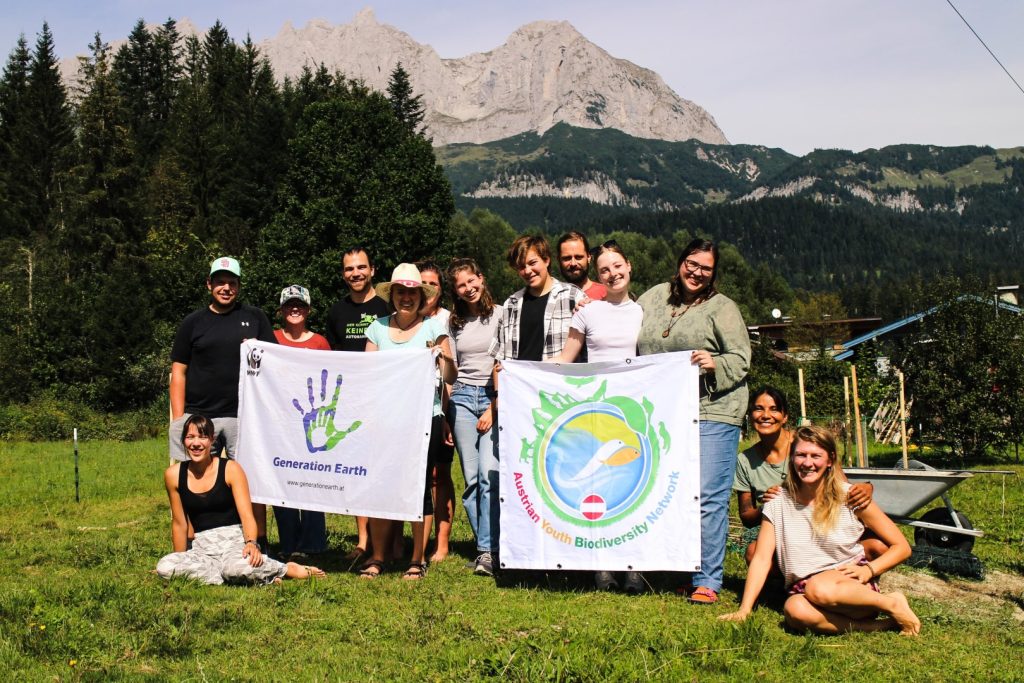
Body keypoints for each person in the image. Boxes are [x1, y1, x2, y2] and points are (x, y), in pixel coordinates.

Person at [720, 425, 921, 636]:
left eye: (816, 455)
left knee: (818, 587)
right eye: (801, 455)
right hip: (804, 591)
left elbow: (902, 547)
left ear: (830, 460)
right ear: (792, 458)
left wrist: (868, 570)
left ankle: (890, 604)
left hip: (848, 587)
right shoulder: (777, 502)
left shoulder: (850, 497)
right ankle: (881, 625)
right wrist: (745, 609)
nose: (807, 463)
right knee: (794, 609)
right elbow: (761, 558)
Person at [636, 239, 750, 604]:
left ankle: (707, 578)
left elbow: (742, 357)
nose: (696, 272)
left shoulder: (722, 308)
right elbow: (623, 321)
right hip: (666, 412)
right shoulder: (654, 298)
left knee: (707, 496)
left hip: (713, 410)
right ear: (680, 261)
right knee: (666, 492)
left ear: (714, 273)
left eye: (706, 268)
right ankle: (677, 566)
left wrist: (715, 363)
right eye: (691, 263)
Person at [550, 241, 646, 593]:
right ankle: (602, 565)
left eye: (617, 266)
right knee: (602, 484)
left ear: (629, 266)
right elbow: (566, 357)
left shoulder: (643, 311)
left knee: (633, 484)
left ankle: (635, 566)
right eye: (605, 269)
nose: (612, 273)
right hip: (598, 408)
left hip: (635, 409)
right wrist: (520, 371)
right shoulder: (588, 311)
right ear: (598, 273)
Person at [169, 256, 276, 551]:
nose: (226, 288)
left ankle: (259, 540)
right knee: (194, 482)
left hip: (244, 416)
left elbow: (273, 364)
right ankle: (192, 543)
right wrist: (180, 421)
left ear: (239, 286)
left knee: (251, 481)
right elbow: (178, 371)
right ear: (209, 284)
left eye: (231, 283)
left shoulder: (255, 318)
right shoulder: (193, 322)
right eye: (220, 282)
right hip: (200, 417)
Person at [360, 264, 457, 580]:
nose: (406, 298)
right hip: (385, 422)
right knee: (380, 488)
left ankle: (417, 560)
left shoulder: (433, 329)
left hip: (422, 421)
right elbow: (368, 375)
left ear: (421, 297)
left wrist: (442, 359)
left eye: (412, 293)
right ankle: (377, 557)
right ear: (393, 295)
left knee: (418, 490)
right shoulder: (376, 328)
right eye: (400, 292)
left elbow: (450, 376)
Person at [157, 414, 325, 585]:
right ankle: (241, 575)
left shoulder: (231, 469)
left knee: (236, 568)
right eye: (190, 437)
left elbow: (246, 515)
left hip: (235, 543)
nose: (196, 443)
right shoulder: (173, 475)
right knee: (165, 567)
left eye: (202, 436)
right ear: (183, 441)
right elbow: (179, 523)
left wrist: (252, 543)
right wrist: (180, 558)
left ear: (212, 440)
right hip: (202, 548)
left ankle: (286, 568)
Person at [735, 387, 881, 566]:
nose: (766, 415)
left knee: (878, 546)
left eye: (774, 409)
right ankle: (792, 586)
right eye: (758, 408)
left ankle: (853, 579)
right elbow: (746, 516)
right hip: (788, 534)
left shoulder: (807, 443)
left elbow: (843, 486)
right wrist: (768, 505)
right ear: (750, 415)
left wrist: (867, 486)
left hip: (826, 524)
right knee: (753, 553)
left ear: (785, 416)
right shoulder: (745, 461)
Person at [324, 247, 389, 561]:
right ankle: (363, 541)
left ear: (373, 270)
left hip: (384, 399)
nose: (356, 274)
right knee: (358, 470)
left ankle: (391, 541)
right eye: (349, 269)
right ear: (343, 274)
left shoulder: (388, 306)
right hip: (349, 403)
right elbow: (333, 358)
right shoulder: (336, 312)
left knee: (386, 469)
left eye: (361, 267)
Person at [446, 258, 501, 576]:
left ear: (481, 277)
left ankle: (490, 549)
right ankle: (485, 550)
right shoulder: (454, 324)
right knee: (470, 480)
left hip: (493, 397)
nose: (468, 289)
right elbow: (452, 373)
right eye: (461, 286)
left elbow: (505, 360)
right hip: (463, 399)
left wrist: (493, 408)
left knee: (488, 475)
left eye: (472, 281)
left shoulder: (502, 314)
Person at [271, 285, 330, 560]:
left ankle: (313, 543)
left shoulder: (319, 342)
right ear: (282, 310)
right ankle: (288, 542)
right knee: (282, 480)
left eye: (300, 305)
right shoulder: (268, 340)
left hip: (311, 422)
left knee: (312, 479)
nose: (295, 309)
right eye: (289, 305)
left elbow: (329, 379)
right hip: (279, 422)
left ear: (308, 309)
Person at [417, 260, 456, 563]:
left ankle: (440, 543)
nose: (427, 290)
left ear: (441, 289)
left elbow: (453, 367)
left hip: (446, 405)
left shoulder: (449, 320)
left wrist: (444, 413)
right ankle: (411, 540)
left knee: (439, 474)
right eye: (422, 283)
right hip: (412, 409)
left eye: (433, 284)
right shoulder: (401, 321)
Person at [557, 231, 607, 300]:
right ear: (559, 260)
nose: (573, 263)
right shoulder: (554, 297)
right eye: (567, 258)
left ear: (589, 257)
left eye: (578, 257)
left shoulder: (607, 294)